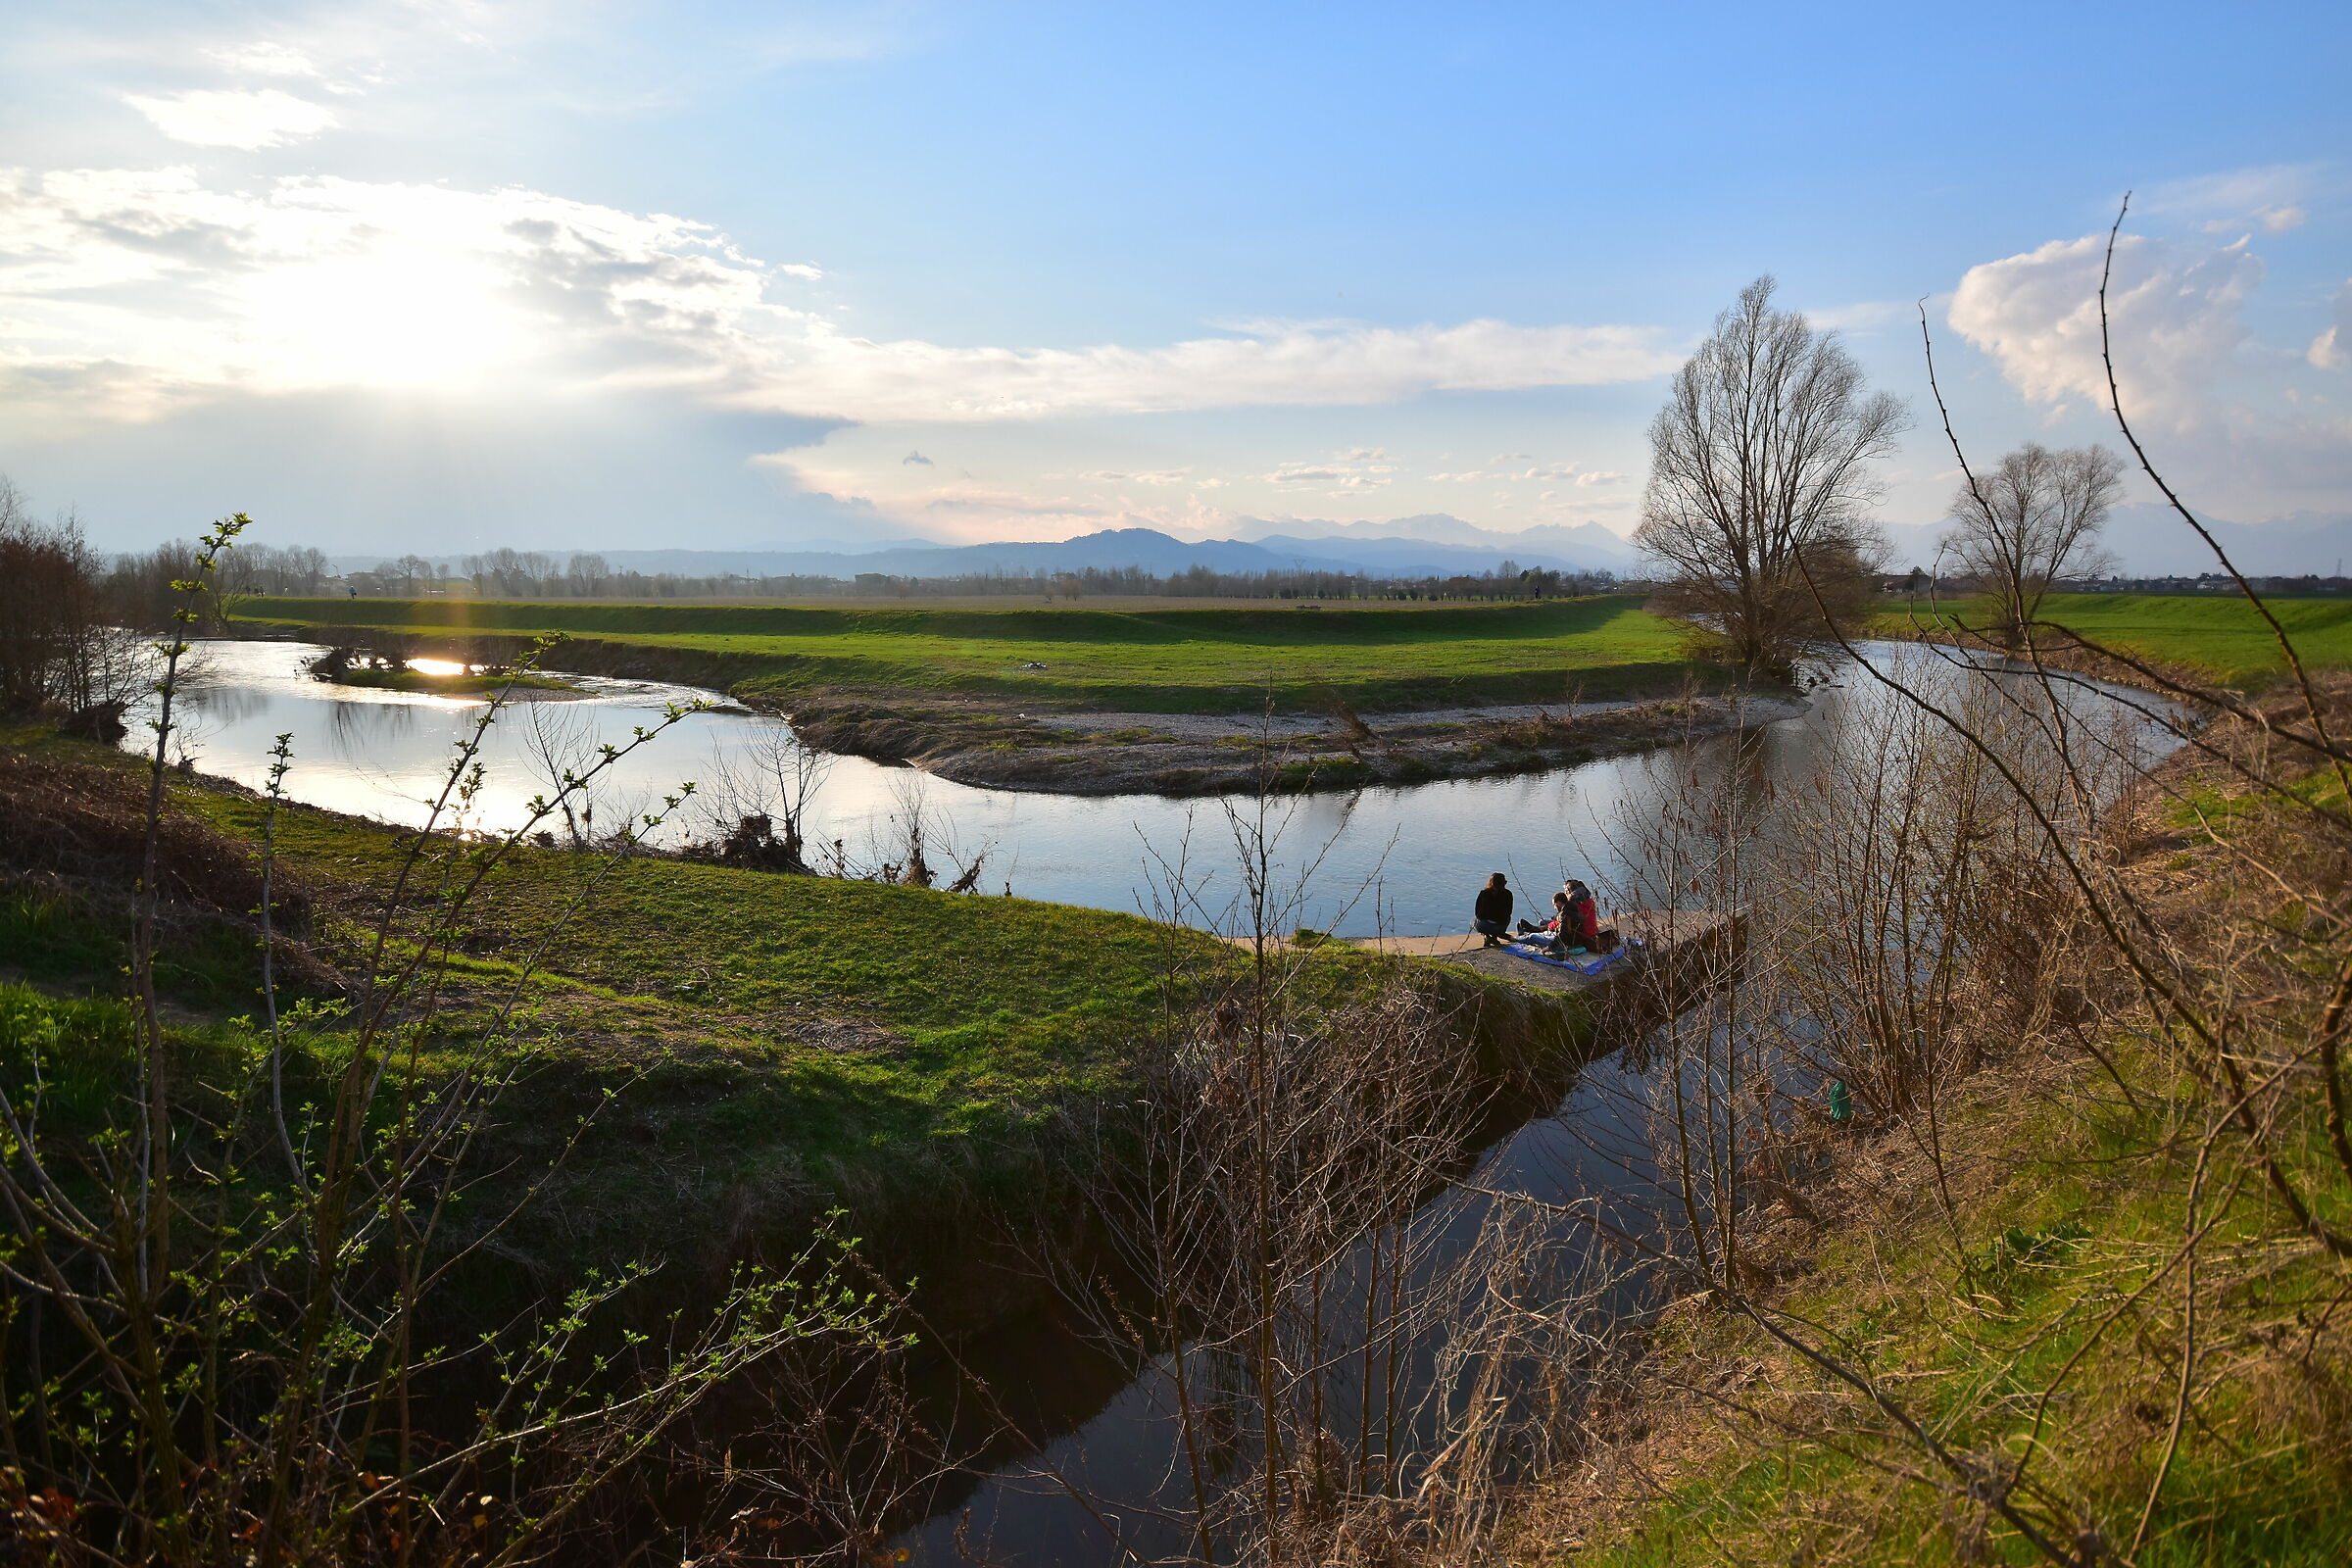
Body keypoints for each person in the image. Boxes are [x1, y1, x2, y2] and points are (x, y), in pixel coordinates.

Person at [1472, 872, 1513, 947]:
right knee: (1508, 917)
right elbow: (1509, 912)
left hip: (1483, 926)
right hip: (1499, 928)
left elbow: (1477, 912)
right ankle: (1494, 937)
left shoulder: (1484, 893)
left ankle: (1486, 936)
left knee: (1473, 921)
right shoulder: (1508, 894)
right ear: (1504, 883)